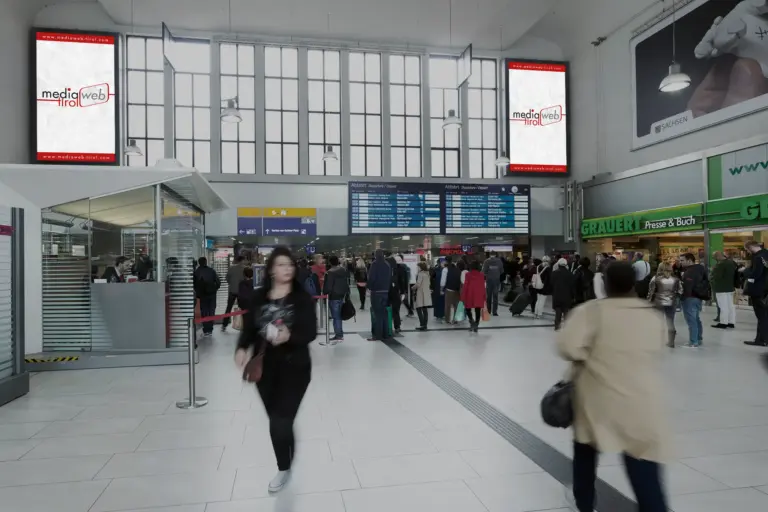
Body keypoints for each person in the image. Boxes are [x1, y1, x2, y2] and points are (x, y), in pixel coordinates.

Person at [558, 261, 669, 512]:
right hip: (640, 401)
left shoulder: (591, 312)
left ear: (606, 284)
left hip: (597, 399)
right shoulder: (650, 314)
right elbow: (658, 346)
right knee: (643, 465)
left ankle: (584, 503)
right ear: (634, 284)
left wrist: (589, 354)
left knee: (585, 454)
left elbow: (566, 347)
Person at [234, 246, 316, 493]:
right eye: (281, 264)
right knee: (278, 420)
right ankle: (287, 450)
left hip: (295, 367)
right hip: (265, 369)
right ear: (271, 269)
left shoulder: (302, 298)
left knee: (280, 420)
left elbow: (310, 332)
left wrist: (290, 336)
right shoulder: (258, 297)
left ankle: (283, 467)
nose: (286, 269)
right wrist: (242, 348)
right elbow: (250, 328)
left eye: (289, 264)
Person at [647, 262, 682, 348]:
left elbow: (651, 291)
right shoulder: (676, 279)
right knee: (670, 321)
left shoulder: (655, 278)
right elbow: (680, 291)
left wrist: (649, 301)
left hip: (658, 302)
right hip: (672, 302)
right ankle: (671, 342)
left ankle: (659, 340)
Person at [680, 253, 708, 348]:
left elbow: (688, 286)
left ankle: (693, 341)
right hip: (698, 297)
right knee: (696, 319)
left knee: (691, 320)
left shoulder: (690, 272)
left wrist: (683, 297)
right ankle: (698, 338)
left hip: (690, 298)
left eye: (682, 260)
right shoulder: (700, 269)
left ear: (689, 260)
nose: (681, 262)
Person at [743, 240, 768, 347]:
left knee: (761, 316)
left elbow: (756, 274)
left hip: (758, 290)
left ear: (751, 247)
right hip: (766, 289)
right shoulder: (766, 253)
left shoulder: (758, 258)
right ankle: (761, 338)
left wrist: (746, 272)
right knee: (765, 315)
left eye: (747, 250)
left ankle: (762, 340)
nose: (748, 252)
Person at [366, 249, 392, 341]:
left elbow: (372, 277)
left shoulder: (375, 264)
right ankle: (386, 334)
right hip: (385, 291)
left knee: (377, 314)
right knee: (384, 313)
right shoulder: (387, 264)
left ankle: (377, 335)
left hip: (376, 292)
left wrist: (368, 287)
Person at [323, 255, 349, 344]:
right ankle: (339, 334)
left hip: (334, 296)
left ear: (330, 262)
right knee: (339, 316)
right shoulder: (343, 270)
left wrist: (325, 292)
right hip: (342, 295)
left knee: (336, 317)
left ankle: (339, 335)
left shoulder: (330, 272)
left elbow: (328, 287)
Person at [193, 257, 221, 337]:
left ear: (199, 263)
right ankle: (210, 329)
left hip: (203, 295)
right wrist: (214, 289)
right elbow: (218, 282)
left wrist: (198, 292)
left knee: (204, 312)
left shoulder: (196, 272)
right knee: (211, 311)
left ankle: (206, 330)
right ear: (206, 262)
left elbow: (194, 284)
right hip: (212, 295)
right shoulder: (211, 271)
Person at [711, 251, 738, 330]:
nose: (715, 259)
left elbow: (716, 277)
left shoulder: (720, 265)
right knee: (730, 306)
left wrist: (711, 279)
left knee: (723, 306)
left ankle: (723, 322)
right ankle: (731, 322)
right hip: (730, 287)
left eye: (714, 257)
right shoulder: (731, 263)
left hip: (721, 288)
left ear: (717, 256)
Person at [222, 256, 247, 332]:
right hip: (241, 292)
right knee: (243, 308)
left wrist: (232, 284)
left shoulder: (231, 268)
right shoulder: (245, 269)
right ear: (242, 260)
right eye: (244, 260)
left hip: (232, 291)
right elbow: (246, 280)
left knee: (228, 308)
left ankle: (224, 325)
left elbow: (227, 279)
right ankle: (244, 325)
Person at [550, 258, 575, 330]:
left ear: (558, 264)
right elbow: (572, 286)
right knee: (566, 311)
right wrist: (573, 296)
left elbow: (551, 284)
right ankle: (566, 327)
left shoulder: (554, 273)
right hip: (567, 296)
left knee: (558, 311)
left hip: (557, 295)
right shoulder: (570, 274)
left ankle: (557, 326)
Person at [461, 260, 486, 333]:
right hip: (478, 294)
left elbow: (465, 286)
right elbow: (483, 286)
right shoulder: (481, 275)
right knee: (477, 310)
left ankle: (472, 321)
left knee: (467, 309)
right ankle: (476, 325)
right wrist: (484, 296)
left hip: (469, 294)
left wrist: (463, 296)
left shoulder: (468, 275)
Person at [483, 252, 504, 316]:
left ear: (490, 255)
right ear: (495, 255)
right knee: (495, 296)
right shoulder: (499, 261)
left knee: (488, 296)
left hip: (489, 281)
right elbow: (502, 271)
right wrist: (496, 274)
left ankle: (489, 310)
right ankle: (495, 311)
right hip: (496, 281)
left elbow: (484, 271)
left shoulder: (486, 261)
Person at [442, 257, 462, 325]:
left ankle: (447, 320)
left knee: (447, 306)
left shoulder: (445, 269)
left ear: (446, 261)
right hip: (457, 290)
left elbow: (443, 281)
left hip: (449, 289)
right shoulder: (458, 269)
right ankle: (456, 319)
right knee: (456, 305)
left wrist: (441, 289)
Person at [413, 262, 432, 331]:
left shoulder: (420, 274)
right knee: (425, 309)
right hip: (426, 293)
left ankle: (422, 324)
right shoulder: (427, 273)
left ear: (420, 267)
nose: (417, 268)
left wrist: (412, 287)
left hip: (421, 293)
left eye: (418, 267)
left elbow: (418, 284)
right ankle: (425, 325)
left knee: (418, 308)